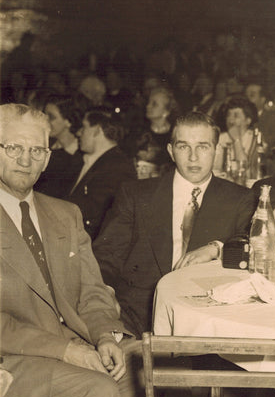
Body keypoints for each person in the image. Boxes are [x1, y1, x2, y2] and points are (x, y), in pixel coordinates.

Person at [0, 103, 127, 397]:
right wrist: (68, 351)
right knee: (96, 390)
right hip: (11, 363)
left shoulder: (65, 214)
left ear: (50, 156)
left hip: (70, 355)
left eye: (37, 150)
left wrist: (105, 336)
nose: (25, 159)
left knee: (140, 379)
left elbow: (92, 293)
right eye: (13, 147)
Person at [94, 111, 256, 337]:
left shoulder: (239, 198)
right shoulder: (135, 194)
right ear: (171, 151)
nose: (193, 157)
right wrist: (105, 296)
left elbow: (255, 245)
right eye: (183, 147)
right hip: (138, 317)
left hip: (208, 321)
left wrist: (216, 247)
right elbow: (107, 254)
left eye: (203, 146)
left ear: (217, 150)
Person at [66, 109, 136, 239]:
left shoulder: (118, 167)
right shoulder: (84, 160)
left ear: (97, 130)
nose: (79, 133)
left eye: (84, 127)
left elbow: (98, 218)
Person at [34, 95, 83, 198]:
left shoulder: (81, 155)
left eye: (51, 117)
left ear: (68, 121)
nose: (45, 120)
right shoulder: (45, 146)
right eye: (44, 115)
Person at [213, 94, 260, 179]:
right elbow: (215, 168)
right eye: (228, 115)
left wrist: (236, 140)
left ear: (248, 120)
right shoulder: (220, 138)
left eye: (236, 115)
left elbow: (247, 171)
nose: (230, 119)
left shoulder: (255, 139)